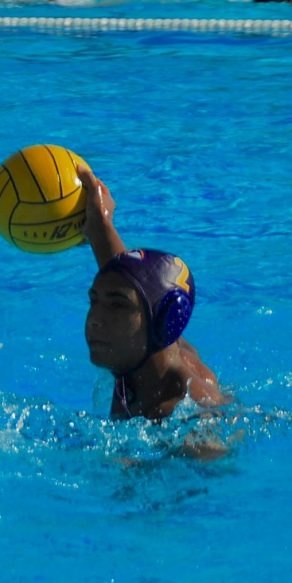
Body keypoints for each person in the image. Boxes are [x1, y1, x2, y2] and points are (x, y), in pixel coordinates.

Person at [77, 166, 229, 457]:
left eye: (117, 304)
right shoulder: (149, 349)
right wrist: (100, 226)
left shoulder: (185, 421)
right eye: (94, 300)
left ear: (161, 322)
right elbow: (136, 285)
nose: (95, 319)